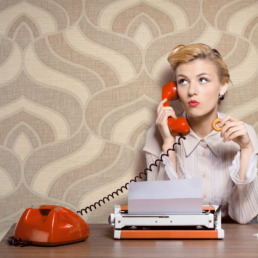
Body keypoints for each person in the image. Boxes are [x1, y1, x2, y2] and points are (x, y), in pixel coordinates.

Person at [143, 43, 258, 224]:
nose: (191, 91)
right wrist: (168, 144)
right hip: (177, 244)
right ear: (173, 91)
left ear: (223, 86)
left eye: (202, 79)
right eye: (183, 81)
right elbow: (160, 213)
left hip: (230, 244)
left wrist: (246, 149)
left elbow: (244, 217)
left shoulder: (244, 134)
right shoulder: (157, 135)